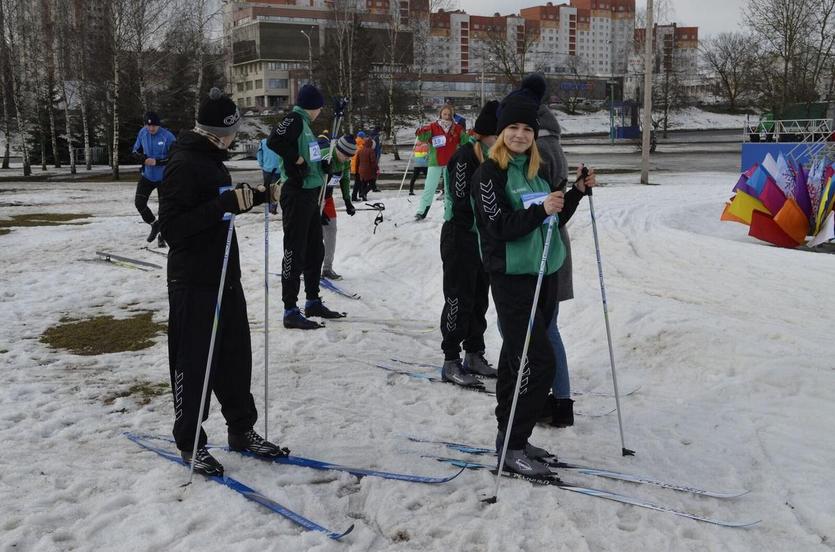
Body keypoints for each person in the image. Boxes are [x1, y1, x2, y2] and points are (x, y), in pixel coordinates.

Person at [470, 74, 596, 477]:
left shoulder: (536, 171)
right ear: (501, 132)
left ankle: (513, 439)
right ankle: (513, 443)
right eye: (514, 128)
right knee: (536, 361)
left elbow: (551, 221)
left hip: (545, 274)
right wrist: (540, 211)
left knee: (514, 360)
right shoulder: (488, 175)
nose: (521, 135)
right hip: (512, 278)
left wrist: (574, 192)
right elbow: (499, 226)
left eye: (527, 128)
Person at [158, 87, 285, 476]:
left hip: (224, 275)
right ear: (219, 131)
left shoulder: (212, 159)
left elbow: (219, 204)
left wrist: (258, 196)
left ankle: (241, 430)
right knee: (195, 361)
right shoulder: (183, 163)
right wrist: (225, 205)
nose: (235, 137)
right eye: (233, 130)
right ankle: (190, 442)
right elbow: (173, 228)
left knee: (234, 356)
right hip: (193, 280)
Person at [267, 83, 345, 330]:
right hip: (297, 193)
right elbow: (275, 141)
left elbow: (309, 156)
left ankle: (312, 301)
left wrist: (321, 165)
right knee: (295, 250)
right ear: (313, 106)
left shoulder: (307, 127)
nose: (320, 111)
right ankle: (290, 309)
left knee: (315, 250)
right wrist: (296, 160)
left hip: (311, 194)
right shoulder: (295, 119)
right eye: (319, 107)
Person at [438, 100, 500, 388]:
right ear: (490, 133)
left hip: (482, 238)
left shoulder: (496, 157)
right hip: (460, 236)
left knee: (479, 299)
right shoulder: (465, 156)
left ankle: (474, 353)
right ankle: (450, 359)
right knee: (459, 298)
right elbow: (461, 199)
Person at [535, 96, 575, 428]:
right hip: (554, 245)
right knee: (549, 328)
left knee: (545, 330)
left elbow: (545, 207)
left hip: (545, 248)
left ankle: (559, 401)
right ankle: (559, 400)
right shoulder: (554, 143)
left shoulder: (541, 148)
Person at [414, 105, 467, 220]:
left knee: (449, 189)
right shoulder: (433, 126)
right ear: (440, 114)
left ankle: (449, 212)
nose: (447, 117)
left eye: (449, 114)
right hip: (435, 162)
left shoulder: (457, 128)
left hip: (450, 163)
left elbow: (465, 141)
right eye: (445, 114)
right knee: (429, 187)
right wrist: (420, 131)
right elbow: (422, 138)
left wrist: (471, 135)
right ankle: (421, 211)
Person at [132, 111, 175, 247]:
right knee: (139, 202)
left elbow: (176, 156)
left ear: (159, 125)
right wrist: (143, 159)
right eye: (148, 126)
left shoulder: (167, 136)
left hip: (164, 178)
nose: (151, 129)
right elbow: (135, 151)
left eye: (154, 126)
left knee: (164, 209)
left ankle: (163, 236)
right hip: (147, 176)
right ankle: (154, 224)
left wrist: (158, 162)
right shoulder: (142, 133)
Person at [321, 135, 357, 281]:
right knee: (313, 234)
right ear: (338, 150)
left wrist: (348, 201)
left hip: (327, 197)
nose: (348, 159)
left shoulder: (346, 161)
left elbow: (345, 179)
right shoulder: (326, 156)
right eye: (347, 156)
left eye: (351, 157)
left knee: (331, 231)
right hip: (313, 197)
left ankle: (327, 268)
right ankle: (308, 266)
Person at [256, 137, 283, 215]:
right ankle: (273, 207)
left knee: (268, 188)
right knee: (276, 189)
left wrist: (262, 164)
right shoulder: (282, 140)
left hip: (267, 169)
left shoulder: (263, 142)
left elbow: (259, 153)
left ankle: (270, 208)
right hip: (280, 169)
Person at [356, 133, 378, 202]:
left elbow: (357, 161)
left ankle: (364, 197)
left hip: (361, 170)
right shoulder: (371, 151)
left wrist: (357, 169)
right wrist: (376, 169)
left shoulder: (360, 150)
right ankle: (364, 193)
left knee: (364, 183)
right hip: (369, 170)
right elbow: (373, 162)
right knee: (372, 184)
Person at [350, 131, 367, 202]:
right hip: (359, 167)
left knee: (359, 181)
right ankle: (354, 196)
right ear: (362, 137)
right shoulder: (361, 146)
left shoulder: (355, 144)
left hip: (354, 166)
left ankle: (360, 194)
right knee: (358, 182)